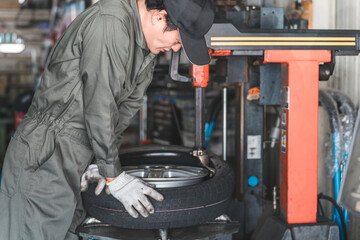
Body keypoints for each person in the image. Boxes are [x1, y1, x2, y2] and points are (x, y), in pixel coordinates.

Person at [0, 0, 214, 239]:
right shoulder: (110, 24)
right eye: (177, 41)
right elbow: (99, 102)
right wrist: (114, 175)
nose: (176, 49)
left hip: (77, 157)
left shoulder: (145, 49)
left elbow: (121, 111)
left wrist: (99, 162)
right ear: (159, 17)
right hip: (47, 154)